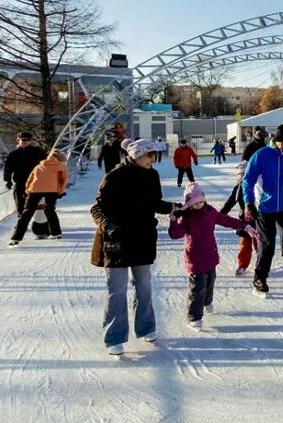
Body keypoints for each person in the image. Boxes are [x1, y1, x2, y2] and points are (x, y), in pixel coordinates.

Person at [90, 138, 180, 356]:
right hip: (117, 240)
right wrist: (108, 225)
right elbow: (96, 208)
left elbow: (154, 203)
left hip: (142, 238)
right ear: (136, 155)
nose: (153, 159)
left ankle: (146, 327)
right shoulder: (114, 177)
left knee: (144, 286)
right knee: (117, 290)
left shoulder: (152, 175)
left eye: (155, 156)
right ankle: (114, 337)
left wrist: (174, 208)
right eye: (150, 155)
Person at [167, 183, 255, 329]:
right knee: (197, 287)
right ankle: (194, 317)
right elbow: (175, 234)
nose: (198, 205)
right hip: (195, 258)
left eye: (201, 201)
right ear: (189, 204)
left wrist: (245, 226)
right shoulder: (186, 217)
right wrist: (173, 220)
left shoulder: (210, 212)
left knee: (210, 281)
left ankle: (207, 302)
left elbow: (226, 220)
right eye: (195, 203)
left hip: (209, 255)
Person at [242, 124, 283, 294]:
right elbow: (247, 180)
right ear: (276, 141)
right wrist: (249, 203)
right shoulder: (261, 155)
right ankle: (260, 277)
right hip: (265, 207)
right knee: (267, 244)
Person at [8, 149, 68, 245]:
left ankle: (16, 238)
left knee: (27, 212)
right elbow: (63, 180)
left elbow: (30, 179)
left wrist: (27, 191)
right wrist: (60, 192)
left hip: (35, 190)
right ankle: (56, 233)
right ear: (60, 160)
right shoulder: (61, 166)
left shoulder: (39, 166)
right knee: (50, 210)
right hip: (52, 190)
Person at [221, 160, 255, 276]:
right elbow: (230, 202)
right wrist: (220, 215)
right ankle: (242, 265)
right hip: (245, 222)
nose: (243, 178)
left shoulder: (259, 187)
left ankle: (263, 264)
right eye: (240, 175)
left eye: (245, 175)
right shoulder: (239, 188)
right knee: (245, 245)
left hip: (258, 221)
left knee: (259, 244)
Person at [2, 131, 47, 218]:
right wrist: (7, 180)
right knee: (20, 203)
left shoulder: (38, 152)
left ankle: (40, 222)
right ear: (18, 140)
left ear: (30, 141)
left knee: (37, 203)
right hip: (20, 182)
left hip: (36, 182)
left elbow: (46, 165)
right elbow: (8, 168)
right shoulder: (13, 154)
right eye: (23, 139)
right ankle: (21, 221)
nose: (25, 141)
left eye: (27, 139)